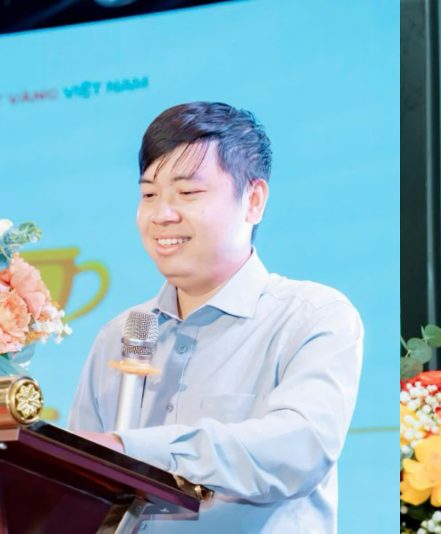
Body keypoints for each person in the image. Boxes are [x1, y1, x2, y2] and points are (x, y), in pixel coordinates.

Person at [69, 101, 363, 533]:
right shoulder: (120, 334)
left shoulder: (312, 317)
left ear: (253, 201)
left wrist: (127, 449)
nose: (162, 214)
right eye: (149, 194)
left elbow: (299, 449)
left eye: (188, 193)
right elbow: (77, 488)